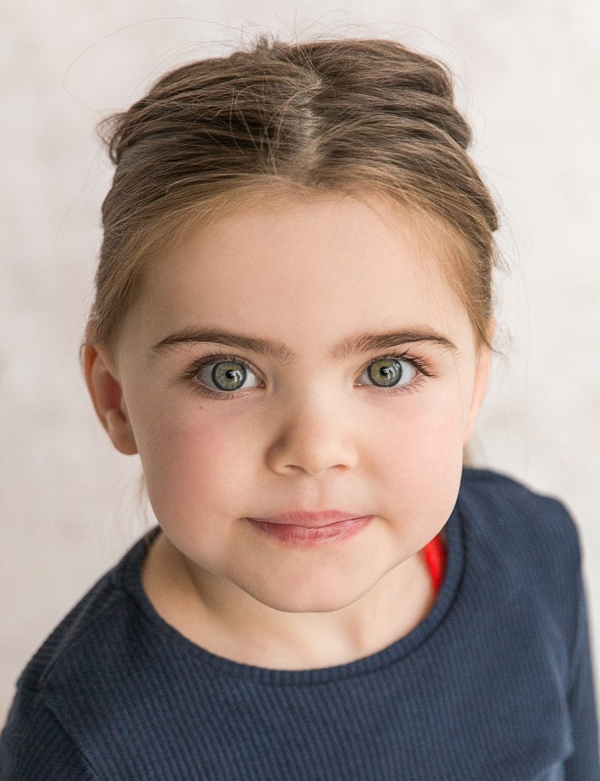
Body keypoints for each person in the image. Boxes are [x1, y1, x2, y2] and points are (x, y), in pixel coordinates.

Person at [1, 32, 597, 780]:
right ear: (114, 396)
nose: (315, 448)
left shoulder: (536, 552)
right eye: (227, 373)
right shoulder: (80, 738)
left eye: (387, 369)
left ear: (476, 381)